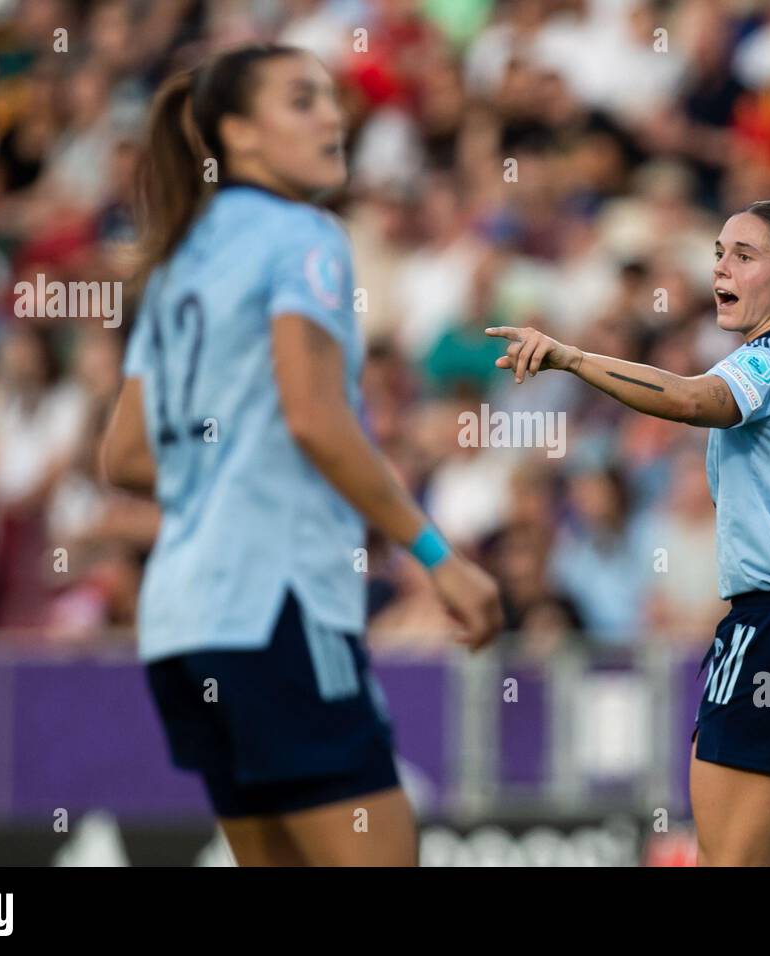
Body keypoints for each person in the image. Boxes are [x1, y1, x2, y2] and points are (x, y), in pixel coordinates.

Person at [100, 44, 502, 866]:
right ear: (240, 133)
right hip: (274, 605)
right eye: (302, 101)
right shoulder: (302, 235)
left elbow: (126, 453)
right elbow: (316, 419)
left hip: (182, 620)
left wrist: (230, 461)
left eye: (329, 98)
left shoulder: (178, 260)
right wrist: (434, 553)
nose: (332, 115)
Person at [487, 200, 770, 866]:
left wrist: (573, 358)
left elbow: (693, 399)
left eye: (744, 255)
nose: (721, 269)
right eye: (718, 254)